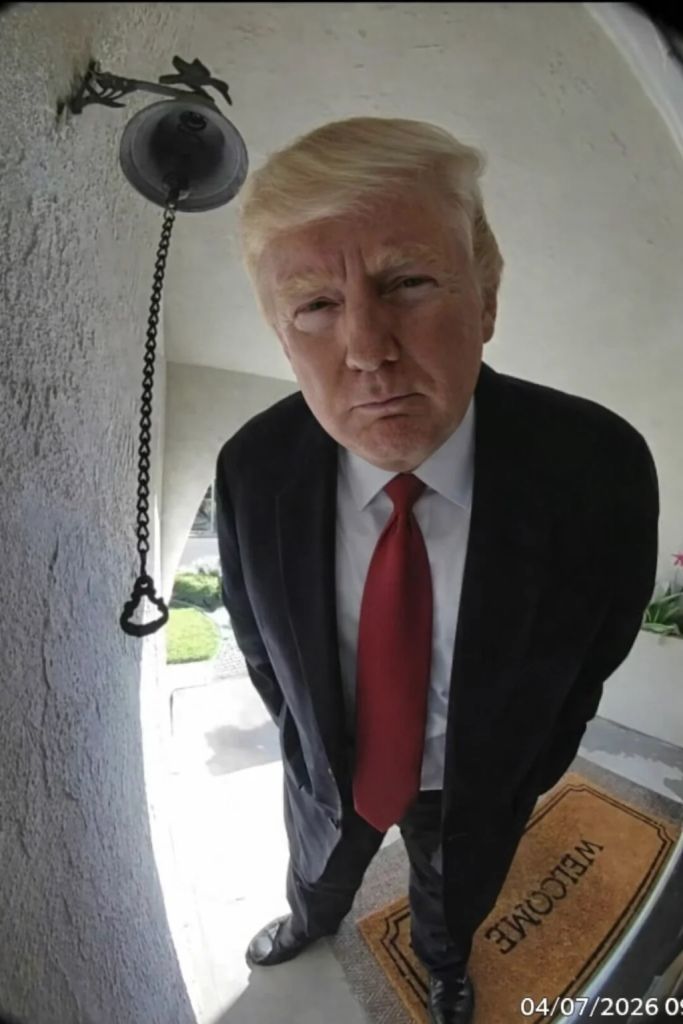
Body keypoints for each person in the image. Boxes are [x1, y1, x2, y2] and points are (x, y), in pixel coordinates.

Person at [214, 117, 659, 1024]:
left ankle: (444, 961)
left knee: (454, 893)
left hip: (479, 779)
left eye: (407, 282)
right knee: (319, 866)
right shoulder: (252, 468)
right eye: (315, 305)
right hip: (331, 768)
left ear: (486, 298)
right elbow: (259, 640)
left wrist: (523, 767)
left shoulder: (598, 465)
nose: (366, 349)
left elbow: (596, 648)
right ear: (280, 335)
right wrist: (306, 743)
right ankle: (308, 919)